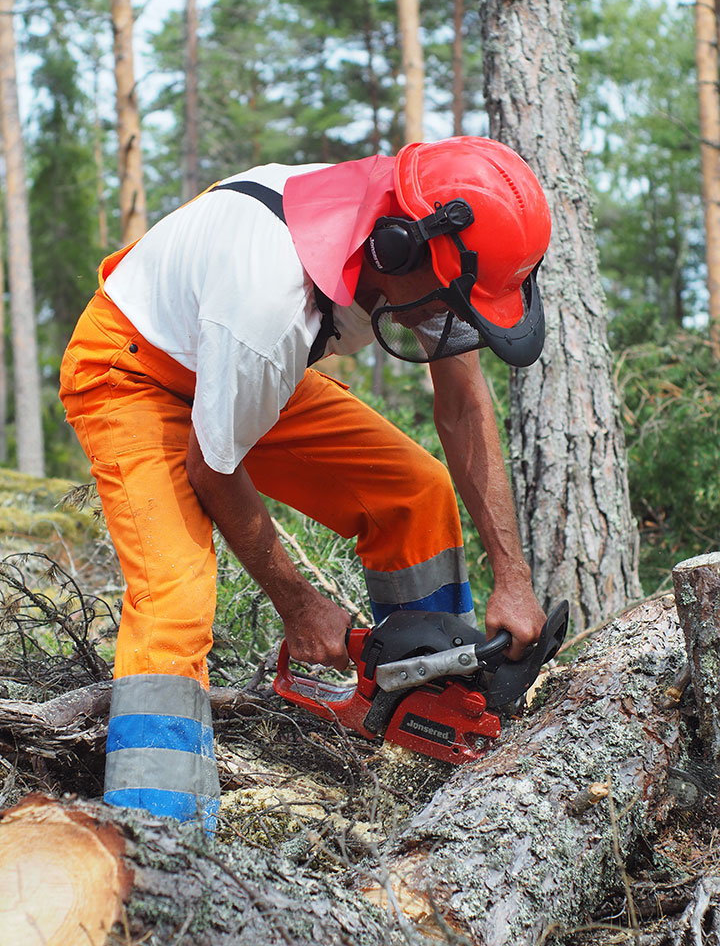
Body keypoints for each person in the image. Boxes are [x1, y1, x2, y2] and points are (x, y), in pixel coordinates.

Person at [59, 136, 552, 832]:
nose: (448, 324)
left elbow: (465, 408)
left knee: (413, 491)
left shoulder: (417, 229)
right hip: (134, 372)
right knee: (175, 593)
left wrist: (513, 575)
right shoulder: (270, 301)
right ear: (397, 249)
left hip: (228, 363)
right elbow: (212, 467)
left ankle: (429, 702)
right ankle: (157, 838)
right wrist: (298, 603)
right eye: (446, 304)